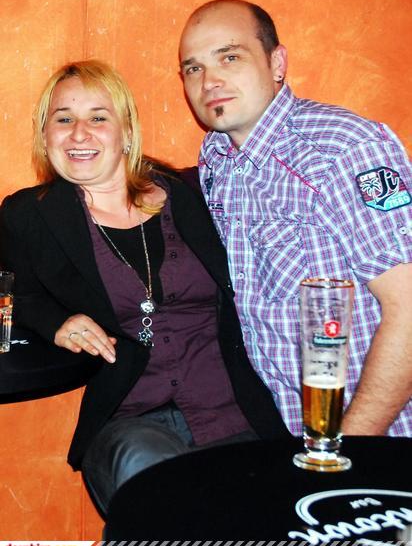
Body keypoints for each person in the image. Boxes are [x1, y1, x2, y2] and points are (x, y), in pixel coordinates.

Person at [0, 60, 289, 517]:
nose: (79, 133)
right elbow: (8, 289)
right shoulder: (30, 215)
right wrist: (55, 321)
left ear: (126, 131)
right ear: (45, 134)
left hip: (236, 410)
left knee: (258, 517)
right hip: (131, 421)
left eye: (98, 117)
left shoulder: (193, 193)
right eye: (63, 119)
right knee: (157, 489)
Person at [179, 0, 412, 438]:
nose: (209, 81)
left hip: (380, 440)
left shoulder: (345, 148)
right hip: (285, 435)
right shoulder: (216, 157)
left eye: (230, 57)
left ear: (277, 63)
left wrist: (346, 446)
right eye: (194, 68)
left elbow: (409, 309)